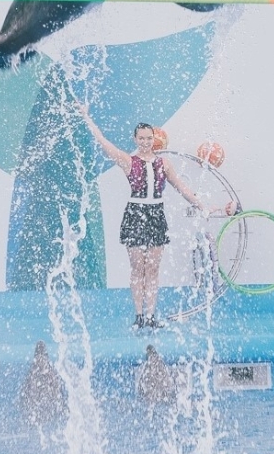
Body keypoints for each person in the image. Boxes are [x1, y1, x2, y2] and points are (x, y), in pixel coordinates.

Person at [79, 106, 232, 331]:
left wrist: (206, 207)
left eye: (149, 138)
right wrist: (86, 116)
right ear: (135, 139)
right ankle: (139, 316)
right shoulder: (128, 161)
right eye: (141, 138)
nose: (146, 142)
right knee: (137, 269)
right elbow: (103, 142)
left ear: (154, 139)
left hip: (156, 215)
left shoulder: (164, 164)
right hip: (135, 215)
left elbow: (183, 188)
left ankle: (151, 316)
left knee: (152, 270)